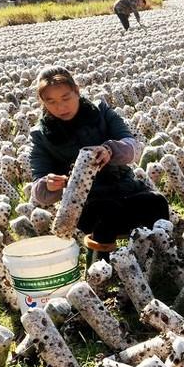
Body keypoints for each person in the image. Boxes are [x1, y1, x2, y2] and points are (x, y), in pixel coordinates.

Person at [27, 66, 169, 256]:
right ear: (42, 102)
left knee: (156, 203)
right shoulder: (40, 136)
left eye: (66, 98)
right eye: (51, 101)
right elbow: (39, 191)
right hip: (87, 204)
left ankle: (159, 259)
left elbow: (133, 147)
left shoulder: (101, 112)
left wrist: (111, 149)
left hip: (125, 189)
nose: (60, 107)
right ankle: (100, 269)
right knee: (108, 212)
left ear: (77, 91)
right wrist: (49, 184)